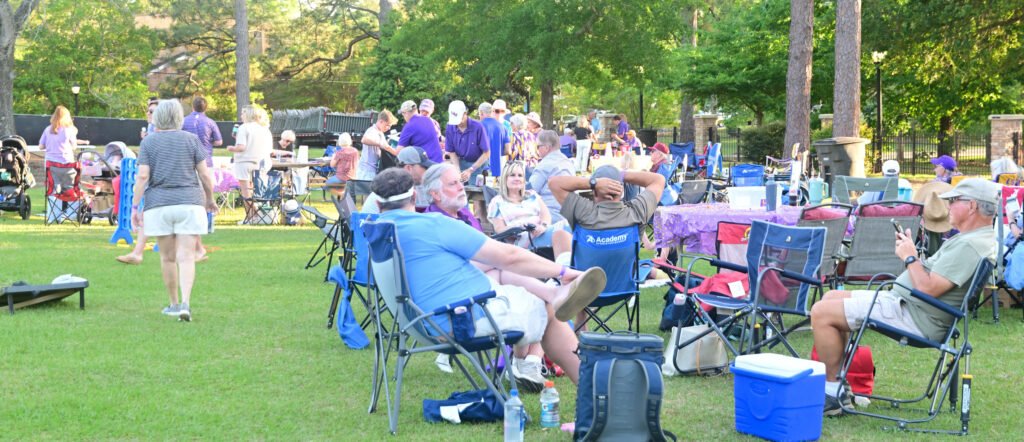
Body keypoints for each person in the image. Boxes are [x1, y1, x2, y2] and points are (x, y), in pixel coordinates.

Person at [370, 167, 608, 390]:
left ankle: (548, 314)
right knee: (547, 307)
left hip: (418, 322)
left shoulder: (376, 229)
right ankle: (592, 393)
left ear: (379, 204)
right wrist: (563, 272)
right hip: (462, 320)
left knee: (510, 278)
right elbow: (509, 255)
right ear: (414, 196)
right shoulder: (434, 225)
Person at [810, 178, 998, 416]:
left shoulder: (971, 245)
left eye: (953, 201)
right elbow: (931, 279)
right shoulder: (973, 239)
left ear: (971, 206)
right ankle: (838, 385)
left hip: (917, 317)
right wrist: (911, 253)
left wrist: (910, 258)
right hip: (910, 306)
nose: (948, 206)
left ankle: (831, 392)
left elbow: (928, 289)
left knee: (821, 312)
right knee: (831, 298)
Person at [131, 99, 218, 322]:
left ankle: (173, 303)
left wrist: (135, 206)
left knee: (167, 258)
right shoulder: (192, 140)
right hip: (189, 203)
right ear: (179, 117)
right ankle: (186, 303)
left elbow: (142, 176)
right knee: (187, 257)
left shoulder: (149, 142)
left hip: (159, 204)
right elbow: (205, 175)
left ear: (158, 117)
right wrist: (209, 199)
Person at [119, 100, 205, 266]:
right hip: (176, 192)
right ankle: (197, 250)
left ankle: (138, 253)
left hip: (164, 189)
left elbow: (144, 174)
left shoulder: (156, 138)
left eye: (153, 111)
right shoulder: (157, 134)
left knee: (152, 213)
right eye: (149, 111)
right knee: (179, 215)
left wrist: (134, 206)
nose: (149, 114)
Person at [489, 161, 572, 264]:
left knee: (570, 224)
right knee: (561, 233)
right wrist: (519, 226)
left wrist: (543, 227)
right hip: (523, 239)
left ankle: (568, 268)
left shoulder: (532, 195)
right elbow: (499, 230)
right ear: (505, 179)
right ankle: (566, 272)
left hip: (541, 232)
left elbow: (546, 216)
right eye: (512, 175)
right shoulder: (497, 201)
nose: (517, 178)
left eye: (520, 175)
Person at [226, 105, 273, 222]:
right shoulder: (265, 129)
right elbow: (269, 150)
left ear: (248, 115)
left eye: (243, 113)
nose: (241, 115)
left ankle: (251, 215)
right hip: (262, 163)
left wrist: (231, 148)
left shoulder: (244, 127)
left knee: (246, 191)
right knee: (256, 189)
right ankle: (260, 215)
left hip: (245, 162)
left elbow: (241, 147)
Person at [362, 146, 437, 214]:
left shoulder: (421, 186)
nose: (427, 171)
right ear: (409, 168)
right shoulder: (387, 191)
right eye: (425, 167)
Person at [421, 163, 482, 231]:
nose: (461, 187)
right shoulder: (432, 226)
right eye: (453, 184)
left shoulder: (464, 213)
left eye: (461, 181)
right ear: (436, 194)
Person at [445, 100, 490, 185]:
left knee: (477, 193)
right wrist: (457, 169)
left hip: (478, 164)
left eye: (459, 119)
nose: (457, 123)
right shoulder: (450, 127)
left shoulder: (478, 127)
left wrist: (471, 169)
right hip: (461, 162)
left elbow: (486, 153)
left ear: (465, 113)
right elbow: (452, 151)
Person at [181, 96, 223, 168]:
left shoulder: (183, 121)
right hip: (206, 160)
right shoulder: (210, 122)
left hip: (187, 160)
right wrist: (209, 141)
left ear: (193, 107)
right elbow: (219, 142)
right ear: (206, 108)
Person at [358, 110, 398, 180]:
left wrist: (397, 153)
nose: (389, 128)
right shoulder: (372, 130)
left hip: (373, 170)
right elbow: (364, 139)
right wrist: (379, 143)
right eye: (387, 125)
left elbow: (387, 147)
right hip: (366, 171)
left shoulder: (380, 133)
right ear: (381, 121)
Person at [480, 102, 510, 178]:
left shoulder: (479, 126)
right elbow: (508, 150)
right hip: (498, 169)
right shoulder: (504, 128)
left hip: (482, 169)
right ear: (492, 112)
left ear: (481, 113)